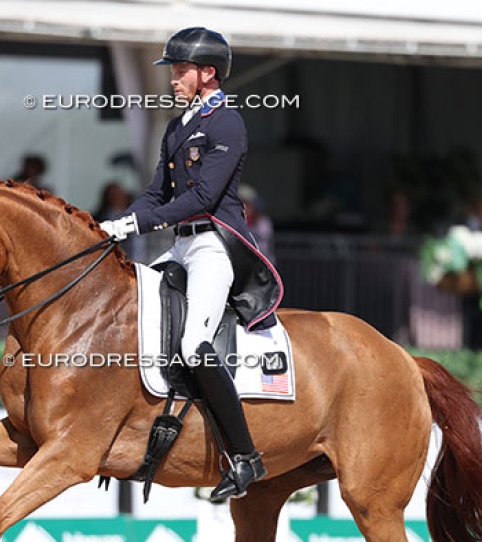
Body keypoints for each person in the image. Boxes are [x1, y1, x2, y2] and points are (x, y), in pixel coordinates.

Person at [99, 27, 281, 502]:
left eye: (180, 71)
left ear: (208, 73)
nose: (174, 79)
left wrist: (138, 227)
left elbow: (203, 198)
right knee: (129, 313)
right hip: (179, 245)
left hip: (214, 247)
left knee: (195, 342)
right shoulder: (178, 125)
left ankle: (245, 456)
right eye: (174, 71)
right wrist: (118, 222)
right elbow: (157, 191)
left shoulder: (228, 124)